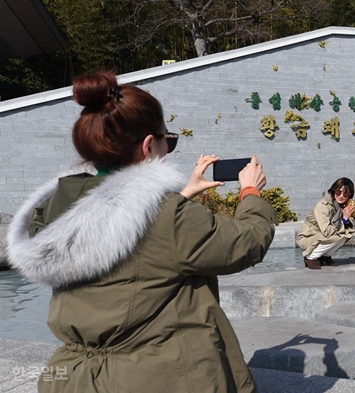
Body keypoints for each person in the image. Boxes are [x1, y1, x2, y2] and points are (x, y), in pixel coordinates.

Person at [7, 71, 277, 392]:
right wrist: (250, 193)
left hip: (71, 378)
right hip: (161, 376)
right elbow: (246, 243)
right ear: (149, 146)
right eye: (169, 140)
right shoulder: (168, 217)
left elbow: (121, 228)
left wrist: (179, 197)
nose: (168, 147)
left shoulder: (55, 207)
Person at [295, 178, 355, 269]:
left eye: (345, 193)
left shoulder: (340, 206)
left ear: (350, 194)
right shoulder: (323, 205)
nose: (341, 196)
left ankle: (325, 256)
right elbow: (327, 231)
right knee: (338, 235)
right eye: (339, 192)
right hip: (307, 237)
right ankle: (310, 258)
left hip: (320, 236)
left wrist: (346, 219)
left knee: (347, 233)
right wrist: (344, 219)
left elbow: (343, 227)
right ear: (333, 191)